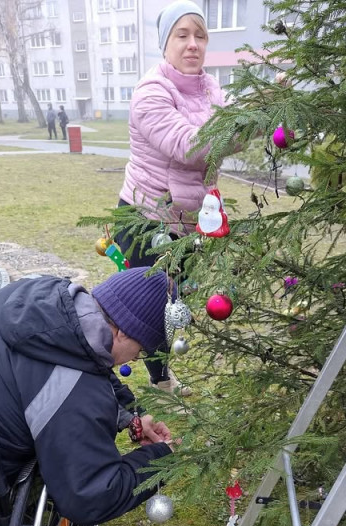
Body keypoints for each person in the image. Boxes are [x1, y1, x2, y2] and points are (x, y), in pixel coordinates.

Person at [0, 267, 177, 526]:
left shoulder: (40, 293)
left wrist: (131, 414)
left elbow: (83, 358)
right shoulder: (76, 390)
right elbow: (91, 496)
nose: (135, 359)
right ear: (123, 333)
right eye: (140, 351)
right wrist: (162, 456)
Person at [114, 0, 228, 395]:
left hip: (190, 217)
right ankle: (159, 378)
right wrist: (243, 123)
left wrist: (262, 111)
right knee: (147, 304)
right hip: (148, 219)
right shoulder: (151, 92)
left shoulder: (212, 88)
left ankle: (160, 368)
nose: (192, 44)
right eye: (182, 35)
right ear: (165, 44)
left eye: (200, 35)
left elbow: (232, 130)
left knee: (175, 298)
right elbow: (188, 147)